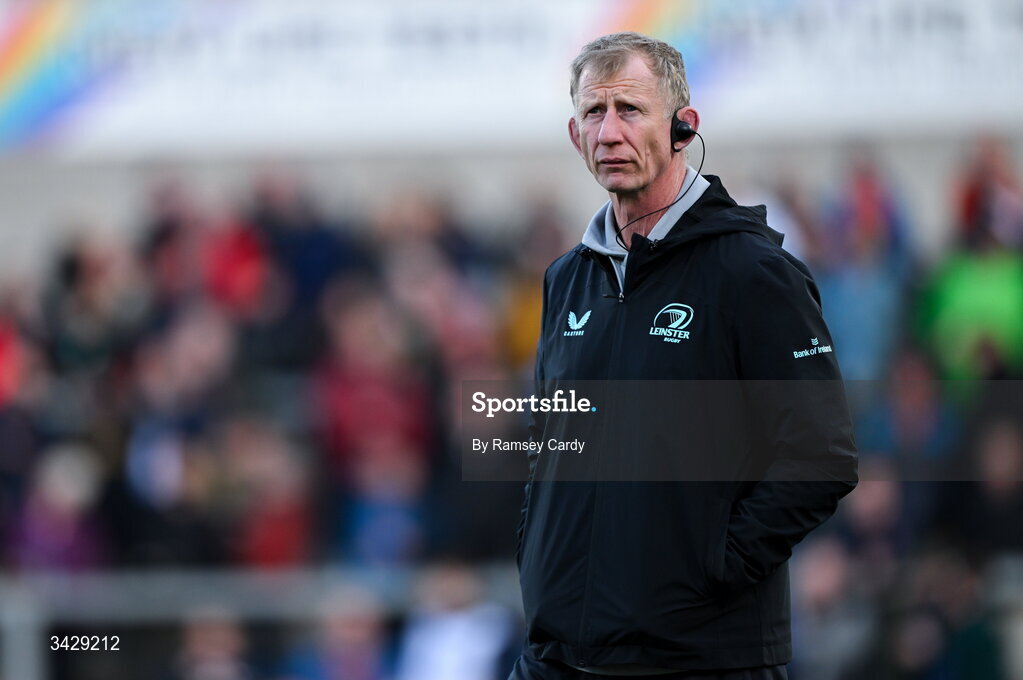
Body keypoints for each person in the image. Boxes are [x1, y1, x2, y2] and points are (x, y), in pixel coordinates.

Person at [509, 33, 858, 679]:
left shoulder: (753, 271)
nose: (609, 131)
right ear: (573, 133)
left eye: (630, 109)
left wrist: (708, 570)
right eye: (593, 112)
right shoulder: (566, 278)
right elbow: (548, 442)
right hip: (557, 653)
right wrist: (541, 564)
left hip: (699, 658)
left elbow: (819, 457)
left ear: (682, 127)